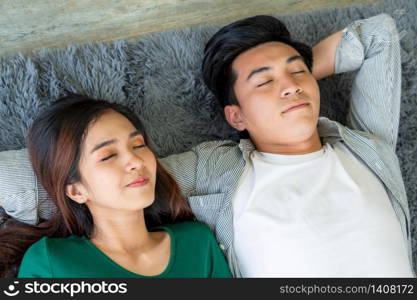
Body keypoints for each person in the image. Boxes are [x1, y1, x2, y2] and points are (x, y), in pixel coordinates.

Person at [0, 13, 415, 278]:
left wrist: (285, 80)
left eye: (299, 72)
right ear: (235, 116)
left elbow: (377, 35)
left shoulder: (367, 144)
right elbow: (82, 176)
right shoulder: (217, 170)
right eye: (266, 81)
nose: (290, 86)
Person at [0, 95, 232, 278]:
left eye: (138, 145)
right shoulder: (51, 261)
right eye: (108, 155)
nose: (136, 161)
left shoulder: (197, 243)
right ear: (76, 190)